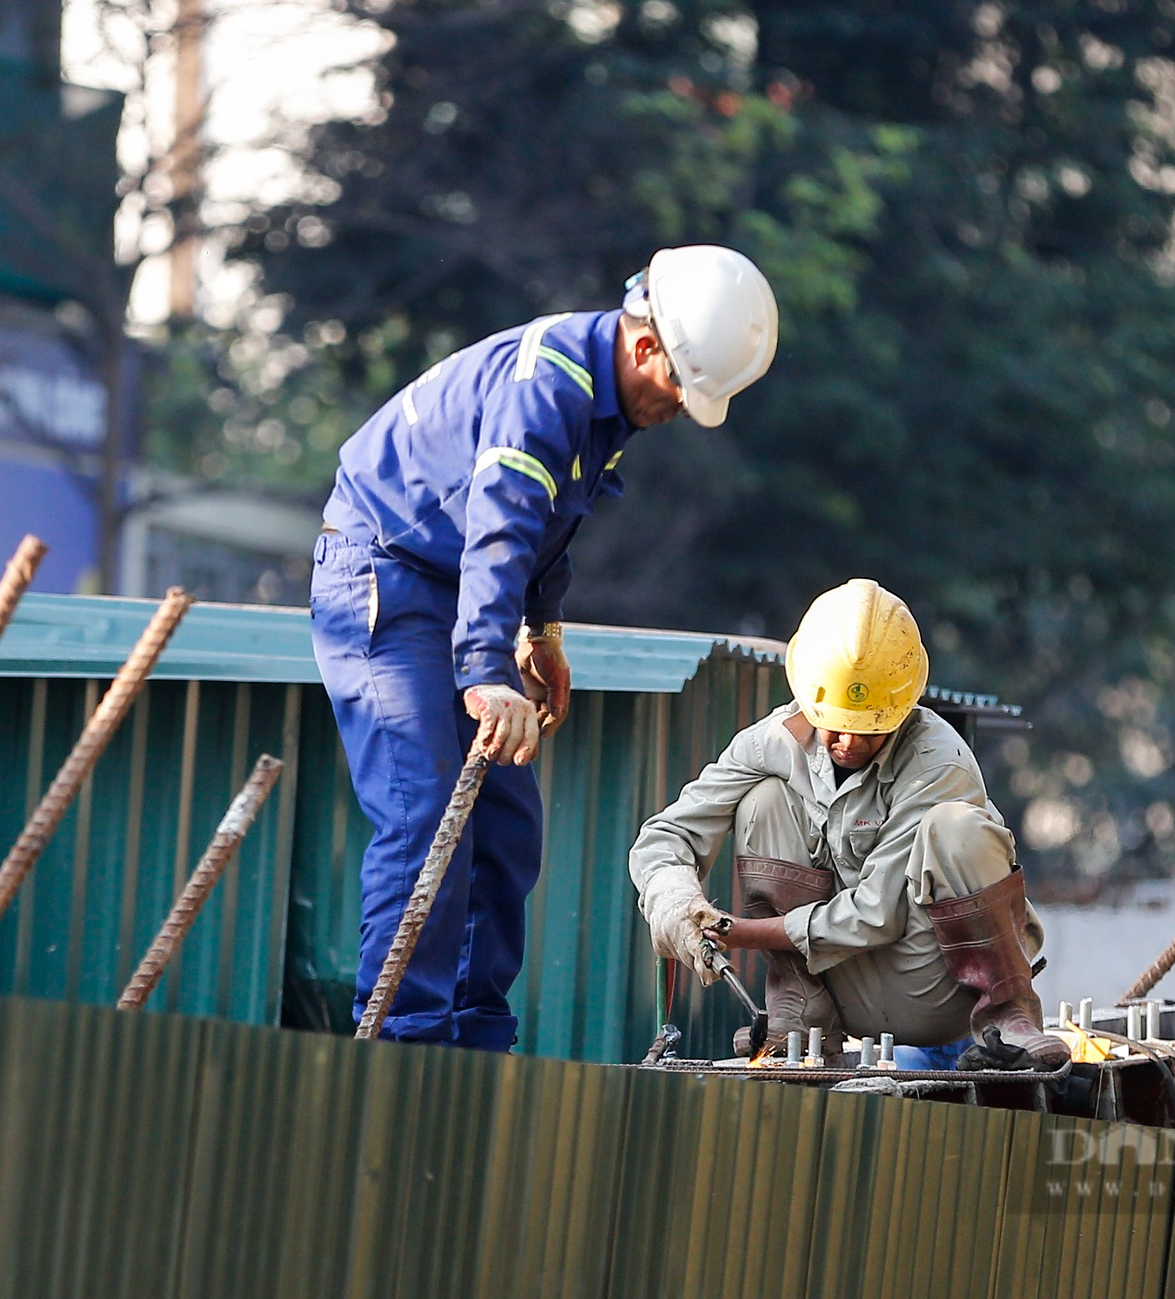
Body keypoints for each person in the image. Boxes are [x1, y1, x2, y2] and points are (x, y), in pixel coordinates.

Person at [311, 246, 779, 1046]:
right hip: (384, 573)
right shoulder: (551, 385)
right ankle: (406, 1043)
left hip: (456, 587)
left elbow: (545, 525)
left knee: (504, 827)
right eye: (680, 388)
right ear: (644, 347)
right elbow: (501, 518)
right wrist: (488, 670)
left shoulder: (604, 404)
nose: (678, 411)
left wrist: (543, 629)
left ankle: (477, 1036)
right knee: (426, 815)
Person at [629, 579, 1070, 1070]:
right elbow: (667, 836)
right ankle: (799, 1014)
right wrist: (676, 904)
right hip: (839, 992)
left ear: (901, 711)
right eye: (835, 724)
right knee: (762, 799)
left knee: (958, 828)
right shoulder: (769, 744)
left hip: (935, 990)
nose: (848, 744)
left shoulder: (939, 763)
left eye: (870, 729)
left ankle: (1008, 1017)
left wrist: (738, 932)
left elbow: (873, 916)